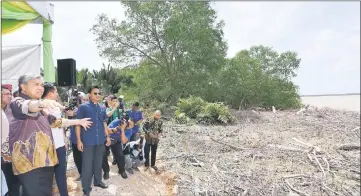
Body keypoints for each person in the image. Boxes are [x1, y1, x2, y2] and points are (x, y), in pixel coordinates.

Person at [5, 74, 90, 196]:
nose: (40, 88)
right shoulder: (17, 102)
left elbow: (56, 122)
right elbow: (29, 106)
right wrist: (42, 103)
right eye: (36, 84)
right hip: (30, 165)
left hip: (45, 162)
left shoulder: (41, 108)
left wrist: (78, 121)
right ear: (23, 87)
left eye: (42, 85)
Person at [42, 83, 93, 196]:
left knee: (57, 175)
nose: (57, 94)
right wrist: (77, 121)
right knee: (54, 176)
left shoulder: (51, 105)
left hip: (56, 146)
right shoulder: (45, 107)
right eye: (56, 92)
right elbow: (56, 123)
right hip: (52, 147)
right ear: (50, 94)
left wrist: (64, 139)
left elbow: (60, 127)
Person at [76, 86, 112, 196]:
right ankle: (86, 188)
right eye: (95, 93)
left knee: (98, 162)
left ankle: (97, 181)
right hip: (88, 142)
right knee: (87, 166)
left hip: (100, 141)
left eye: (99, 93)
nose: (97, 95)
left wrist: (107, 136)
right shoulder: (83, 107)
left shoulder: (102, 108)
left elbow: (104, 123)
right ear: (89, 95)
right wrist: (78, 140)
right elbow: (77, 124)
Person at [1, 85, 21, 196]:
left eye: (10, 93)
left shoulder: (11, 109)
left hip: (12, 155)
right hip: (4, 157)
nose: (10, 96)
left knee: (14, 185)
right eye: (6, 94)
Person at [68, 94, 89, 181]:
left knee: (86, 159)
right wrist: (70, 114)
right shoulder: (73, 110)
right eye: (82, 99)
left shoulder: (88, 109)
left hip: (85, 139)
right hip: (74, 139)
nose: (84, 101)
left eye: (86, 99)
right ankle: (81, 174)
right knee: (77, 159)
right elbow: (68, 121)